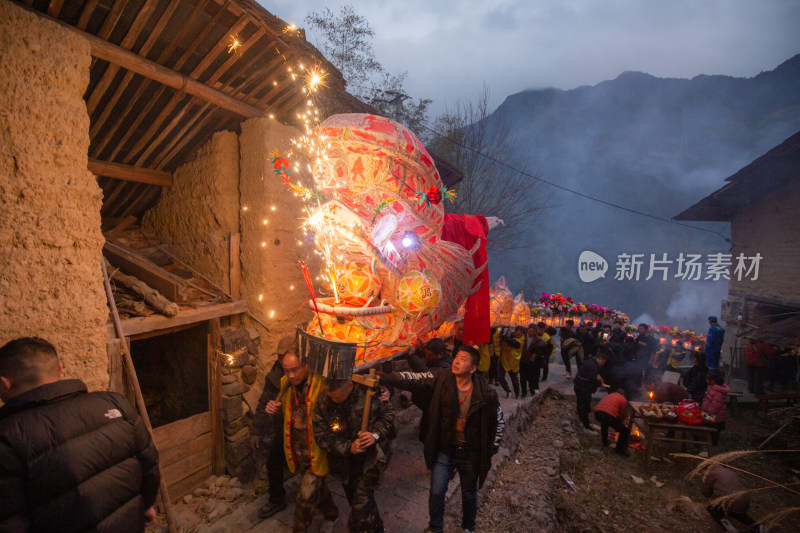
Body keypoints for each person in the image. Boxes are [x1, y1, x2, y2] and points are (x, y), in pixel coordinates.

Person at [0, 337, 160, 532]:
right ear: (59, 368)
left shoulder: (7, 437)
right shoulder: (115, 402)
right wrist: (145, 504)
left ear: (4, 384)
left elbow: (10, 520)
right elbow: (150, 465)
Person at [381, 346, 504, 533]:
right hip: (445, 449)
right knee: (436, 492)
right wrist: (387, 378)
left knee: (469, 493)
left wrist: (489, 451)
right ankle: (435, 527)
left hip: (470, 453)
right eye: (456, 357)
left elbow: (499, 423)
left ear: (473, 368)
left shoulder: (486, 394)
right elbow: (416, 379)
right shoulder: (441, 377)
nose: (456, 361)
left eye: (463, 359)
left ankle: (469, 527)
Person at [265, 352, 338, 533]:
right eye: (286, 371)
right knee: (316, 488)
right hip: (298, 451)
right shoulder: (284, 384)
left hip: (317, 451)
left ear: (306, 365)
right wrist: (273, 409)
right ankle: (332, 514)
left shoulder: (321, 382)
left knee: (305, 497)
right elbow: (287, 413)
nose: (291, 376)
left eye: (295, 370)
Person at [313, 377, 395, 533]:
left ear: (350, 385)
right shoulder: (324, 400)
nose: (333, 401)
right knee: (360, 502)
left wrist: (374, 435)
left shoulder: (370, 392)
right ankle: (377, 529)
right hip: (344, 465)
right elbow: (321, 435)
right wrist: (348, 447)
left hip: (371, 461)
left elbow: (388, 415)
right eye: (331, 397)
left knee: (359, 507)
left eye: (337, 397)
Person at [252, 335, 296, 518]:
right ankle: (277, 499)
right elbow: (264, 402)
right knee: (273, 461)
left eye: (283, 356)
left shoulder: (301, 371)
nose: (280, 360)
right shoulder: (276, 373)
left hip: (302, 427)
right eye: (278, 357)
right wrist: (256, 431)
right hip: (283, 427)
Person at [702, 465, 759, 531]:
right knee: (736, 512)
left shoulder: (712, 473)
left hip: (727, 499)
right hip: (744, 498)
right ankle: (756, 526)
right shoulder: (730, 471)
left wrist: (708, 495)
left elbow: (706, 492)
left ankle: (729, 527)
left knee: (712, 509)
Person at [573, 349, 608, 434]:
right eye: (604, 362)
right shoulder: (593, 366)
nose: (603, 364)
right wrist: (600, 385)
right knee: (584, 407)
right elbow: (592, 378)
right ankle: (586, 427)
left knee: (582, 405)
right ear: (601, 359)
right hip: (583, 388)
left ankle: (583, 422)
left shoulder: (590, 361)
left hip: (579, 386)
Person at [593, 389, 630, 457]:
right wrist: (620, 423)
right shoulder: (623, 399)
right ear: (623, 394)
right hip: (607, 415)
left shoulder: (610, 395)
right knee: (625, 431)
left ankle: (605, 442)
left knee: (604, 424)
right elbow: (622, 414)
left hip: (597, 413)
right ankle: (619, 450)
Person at [701, 373, 729, 445]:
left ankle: (713, 442)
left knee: (714, 429)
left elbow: (715, 406)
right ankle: (710, 439)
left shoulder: (718, 392)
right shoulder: (712, 388)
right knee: (711, 429)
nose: (707, 381)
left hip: (715, 416)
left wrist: (708, 414)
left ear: (713, 381)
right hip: (711, 414)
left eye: (709, 380)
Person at [498, 326, 524, 399]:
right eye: (517, 333)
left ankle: (517, 394)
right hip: (504, 359)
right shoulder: (510, 334)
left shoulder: (520, 341)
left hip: (513, 363)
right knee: (500, 377)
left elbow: (510, 341)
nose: (518, 335)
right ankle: (507, 390)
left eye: (520, 334)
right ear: (515, 332)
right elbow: (502, 339)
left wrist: (507, 333)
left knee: (514, 380)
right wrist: (503, 330)